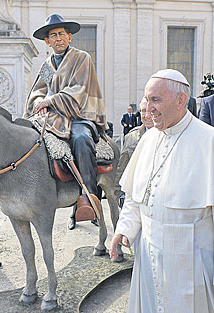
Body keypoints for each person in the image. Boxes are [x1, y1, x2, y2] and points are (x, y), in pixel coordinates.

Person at [110, 69, 214, 313]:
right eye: (147, 99)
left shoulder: (209, 141)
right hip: (148, 254)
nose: (148, 107)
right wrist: (123, 229)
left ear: (180, 101)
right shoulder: (147, 139)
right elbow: (136, 198)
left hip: (191, 257)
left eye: (155, 99)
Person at [24, 14, 108, 215]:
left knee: (80, 138)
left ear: (69, 37)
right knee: (27, 136)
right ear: (47, 41)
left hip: (80, 115)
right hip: (54, 116)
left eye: (62, 34)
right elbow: (38, 91)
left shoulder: (81, 58)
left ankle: (89, 196)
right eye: (53, 35)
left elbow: (78, 89)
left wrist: (50, 101)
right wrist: (39, 103)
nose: (58, 38)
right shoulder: (47, 66)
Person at [114, 97, 153, 207]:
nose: (147, 115)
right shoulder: (131, 137)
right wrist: (120, 195)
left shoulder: (169, 136)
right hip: (135, 199)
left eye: (151, 111)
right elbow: (122, 167)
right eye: (143, 111)